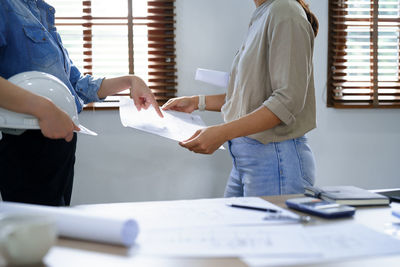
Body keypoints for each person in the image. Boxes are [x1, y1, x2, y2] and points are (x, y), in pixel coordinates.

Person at [0, 0, 162, 206]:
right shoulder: (6, 6)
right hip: (24, 143)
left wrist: (130, 81)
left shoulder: (39, 12)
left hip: (58, 145)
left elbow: (74, 84)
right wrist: (44, 108)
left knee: (55, 224)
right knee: (33, 230)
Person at [162, 0, 318, 197]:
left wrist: (221, 133)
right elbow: (248, 97)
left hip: (275, 158)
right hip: (247, 158)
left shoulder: (284, 10)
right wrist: (196, 102)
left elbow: (286, 101)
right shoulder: (264, 13)